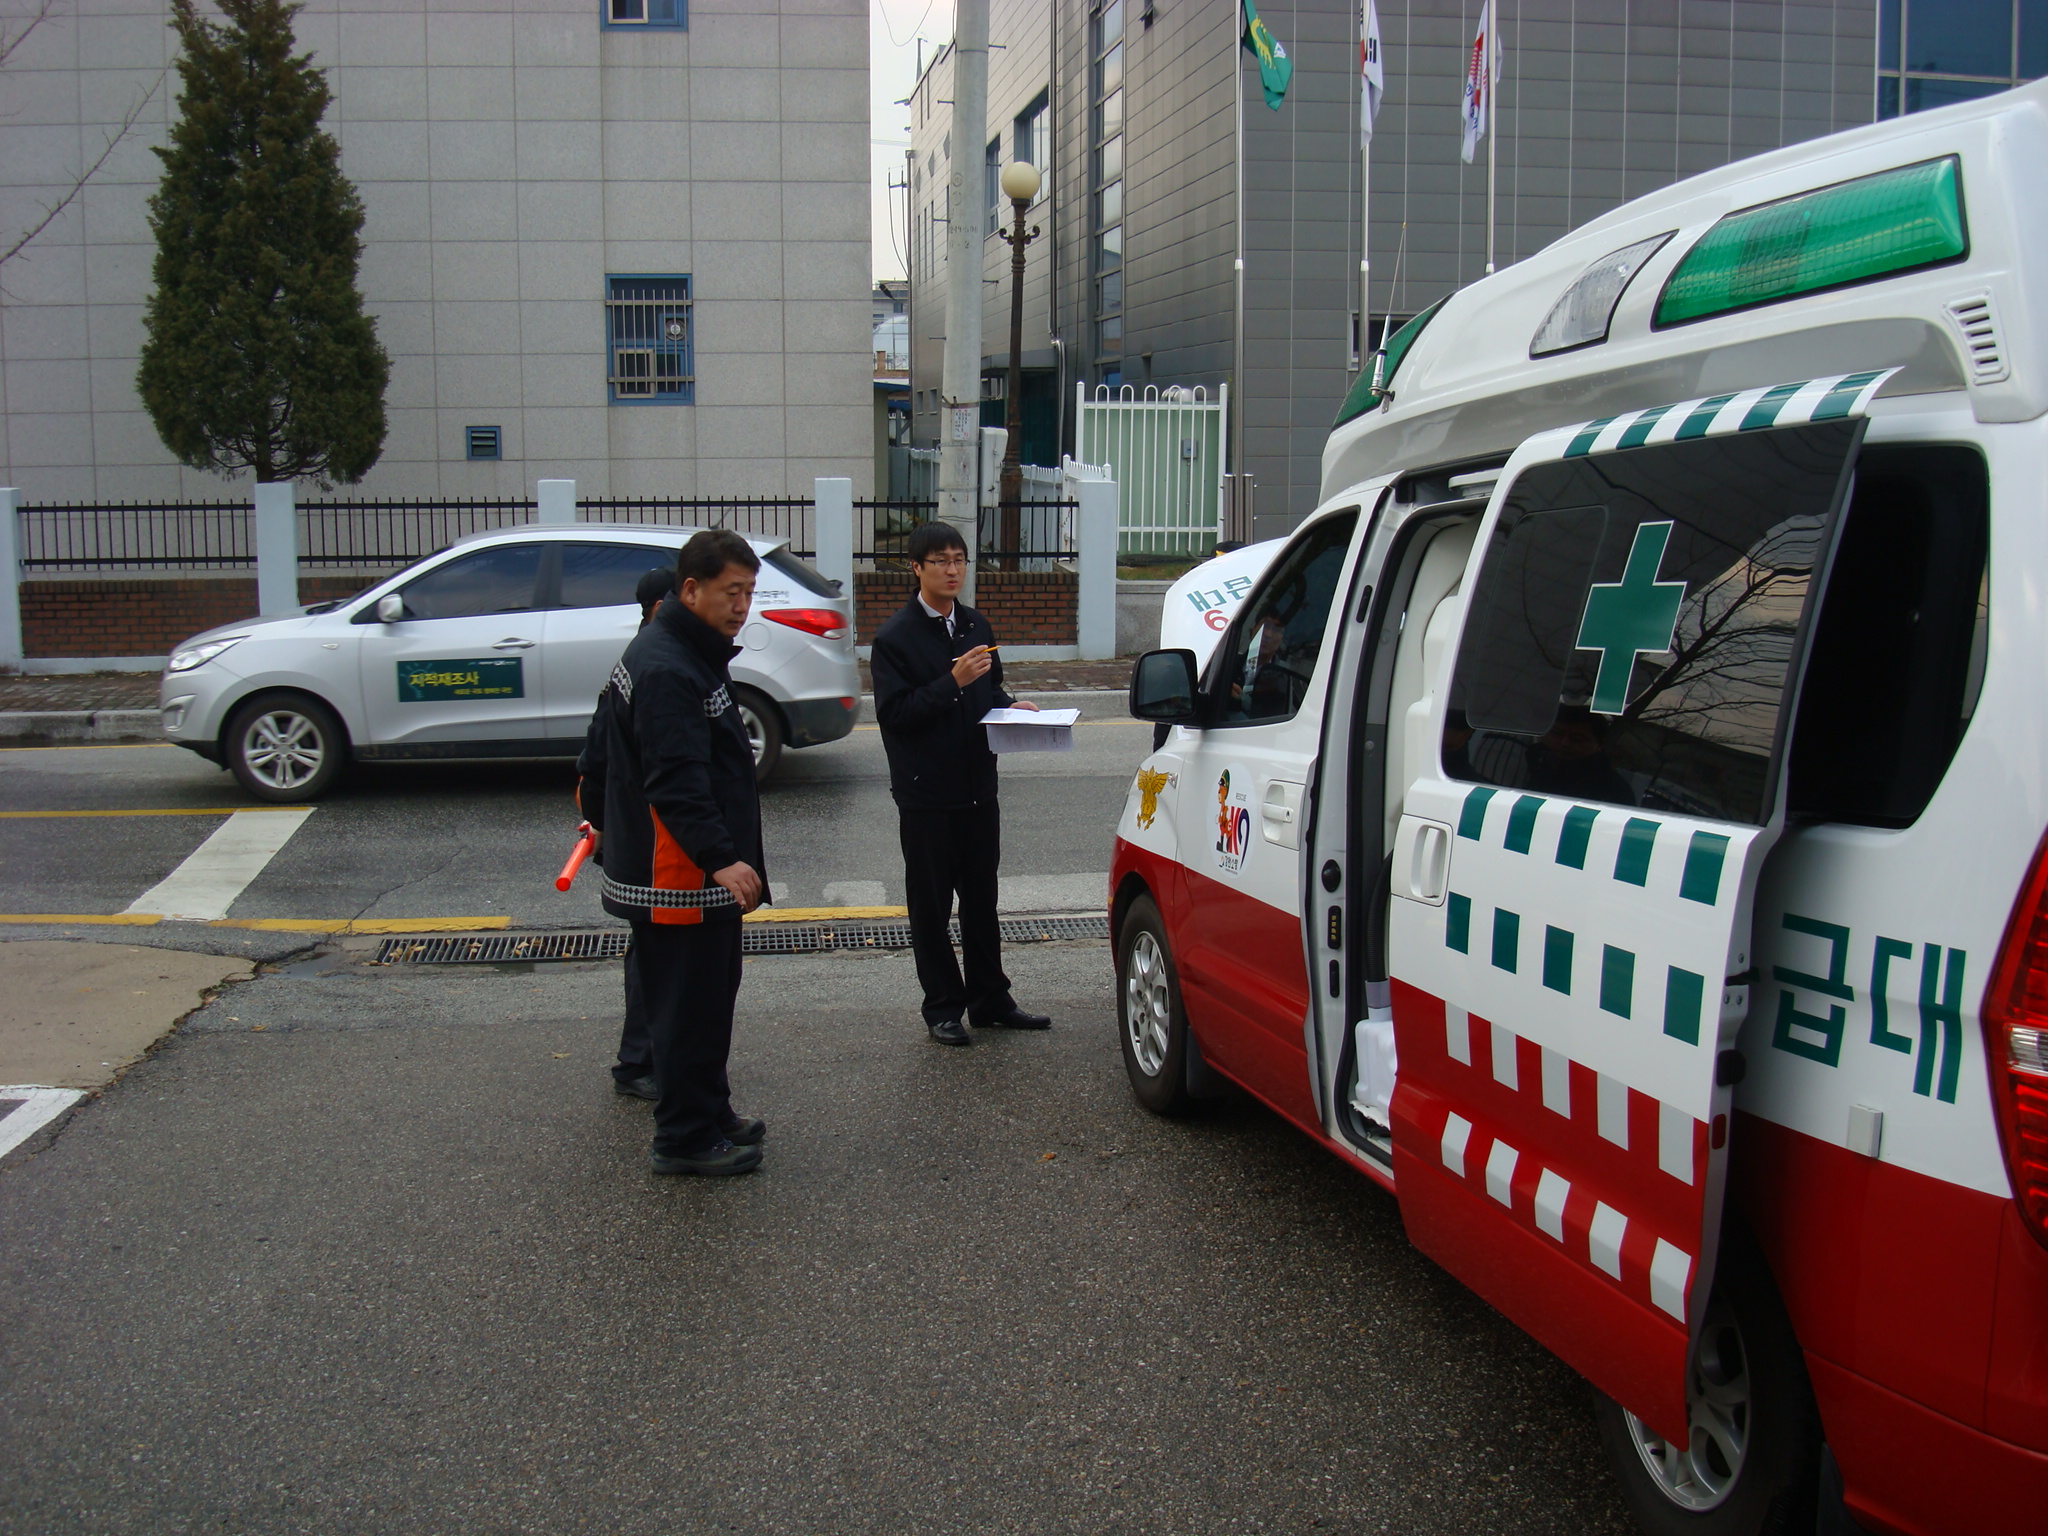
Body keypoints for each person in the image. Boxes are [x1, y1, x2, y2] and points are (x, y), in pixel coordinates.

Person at [581, 529, 770, 1176]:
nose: (741, 605)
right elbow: (676, 779)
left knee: (709, 1002)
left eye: (749, 592)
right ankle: (683, 1138)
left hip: (693, 872)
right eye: (730, 592)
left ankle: (709, 1111)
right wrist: (721, 856)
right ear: (690, 590)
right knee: (688, 1010)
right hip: (677, 874)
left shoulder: (688, 648)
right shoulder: (666, 666)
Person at [870, 521, 1052, 1046]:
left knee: (981, 899)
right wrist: (952, 682)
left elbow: (988, 691)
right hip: (927, 794)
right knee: (931, 907)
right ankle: (943, 1007)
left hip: (978, 788)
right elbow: (896, 715)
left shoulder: (975, 624)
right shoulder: (895, 638)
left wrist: (1012, 707)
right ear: (916, 568)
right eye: (941, 561)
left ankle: (990, 1000)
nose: (952, 571)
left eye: (959, 560)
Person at [575, 564, 675, 1103]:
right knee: (654, 955)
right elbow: (597, 759)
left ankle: (649, 1057)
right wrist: (605, 823)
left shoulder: (638, 658)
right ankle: (638, 1062)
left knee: (650, 952)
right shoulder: (649, 664)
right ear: (662, 606)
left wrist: (601, 819)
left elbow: (593, 760)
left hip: (635, 834)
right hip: (649, 842)